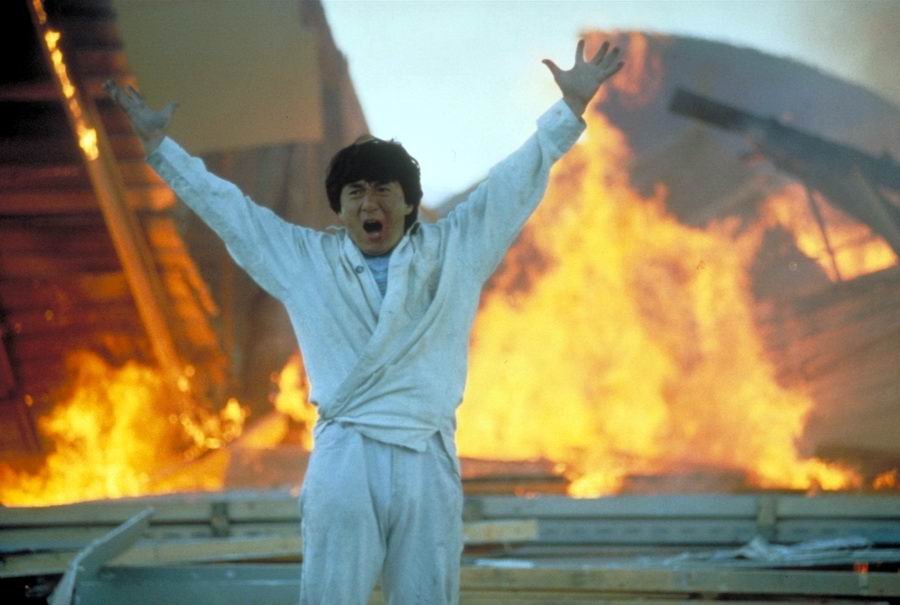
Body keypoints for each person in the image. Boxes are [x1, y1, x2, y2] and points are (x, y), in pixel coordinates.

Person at [106, 38, 623, 605]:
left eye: (383, 190)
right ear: (340, 206)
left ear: (408, 203)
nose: (369, 203)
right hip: (346, 457)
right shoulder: (305, 261)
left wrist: (570, 108)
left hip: (427, 454)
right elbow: (232, 212)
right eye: (355, 192)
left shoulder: (455, 250)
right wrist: (160, 149)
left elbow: (511, 185)